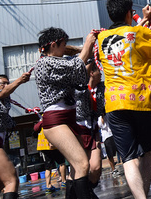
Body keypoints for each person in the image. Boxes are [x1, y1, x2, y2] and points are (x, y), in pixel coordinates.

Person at [97, 0, 151, 199]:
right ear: (130, 12)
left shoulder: (101, 38)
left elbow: (128, 35)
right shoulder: (138, 33)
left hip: (114, 103)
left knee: (128, 157)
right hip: (140, 100)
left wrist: (145, 20)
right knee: (146, 152)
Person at [34, 27, 97, 199]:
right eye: (64, 45)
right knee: (82, 164)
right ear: (54, 45)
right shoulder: (45, 63)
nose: (65, 49)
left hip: (68, 119)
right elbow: (74, 66)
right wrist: (88, 43)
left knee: (77, 168)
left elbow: (79, 74)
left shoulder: (58, 61)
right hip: (56, 121)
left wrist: (91, 53)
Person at [0, 72, 31, 199]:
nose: (6, 85)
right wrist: (20, 80)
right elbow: (1, 93)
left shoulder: (4, 101)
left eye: (7, 83)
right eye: (2, 83)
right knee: (11, 181)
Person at [74, 64, 105, 195]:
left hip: (93, 128)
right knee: (81, 167)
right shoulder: (80, 88)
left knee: (96, 167)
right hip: (78, 129)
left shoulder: (102, 87)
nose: (101, 72)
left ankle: (88, 190)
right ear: (91, 73)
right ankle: (83, 194)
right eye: (98, 70)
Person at [36, 129, 67, 195]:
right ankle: (64, 182)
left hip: (43, 147)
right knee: (61, 163)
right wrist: (51, 142)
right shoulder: (48, 121)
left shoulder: (39, 124)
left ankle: (48, 186)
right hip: (52, 146)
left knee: (48, 167)